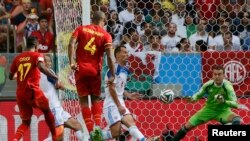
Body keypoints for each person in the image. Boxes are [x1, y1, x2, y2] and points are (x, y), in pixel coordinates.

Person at [68, 11, 115, 136]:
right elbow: (110, 56)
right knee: (95, 100)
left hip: (80, 69)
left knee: (83, 101)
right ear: (103, 20)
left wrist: (72, 62)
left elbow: (71, 44)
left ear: (92, 18)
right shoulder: (106, 35)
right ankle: (98, 128)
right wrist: (112, 73)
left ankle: (90, 132)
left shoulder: (81, 29)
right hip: (95, 71)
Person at [171, 65, 248, 141]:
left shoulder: (228, 86)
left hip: (223, 111)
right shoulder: (208, 85)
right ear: (212, 75)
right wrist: (191, 99)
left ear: (224, 75)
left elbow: (235, 103)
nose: (217, 76)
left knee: (237, 120)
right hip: (208, 110)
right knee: (187, 126)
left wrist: (224, 101)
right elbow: (197, 96)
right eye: (215, 74)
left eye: (219, 74)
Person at [90, 45, 150, 141]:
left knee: (131, 123)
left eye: (127, 52)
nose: (127, 54)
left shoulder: (125, 69)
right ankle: (91, 138)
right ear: (117, 55)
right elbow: (111, 88)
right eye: (125, 52)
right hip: (111, 104)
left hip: (120, 102)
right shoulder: (114, 69)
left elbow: (119, 88)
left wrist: (129, 95)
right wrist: (118, 106)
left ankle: (144, 139)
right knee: (116, 133)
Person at [9, 36, 58, 141]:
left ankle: (15, 139)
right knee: (47, 111)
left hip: (20, 93)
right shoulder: (37, 55)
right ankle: (55, 136)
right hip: (32, 91)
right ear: (36, 46)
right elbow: (41, 67)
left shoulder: (17, 58)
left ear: (26, 46)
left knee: (25, 122)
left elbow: (10, 76)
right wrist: (56, 77)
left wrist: (19, 76)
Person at [41, 55, 87, 141]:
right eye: (47, 61)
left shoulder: (39, 75)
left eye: (50, 61)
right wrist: (71, 88)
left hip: (57, 108)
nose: (49, 63)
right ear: (42, 63)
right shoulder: (48, 72)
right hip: (53, 108)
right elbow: (59, 85)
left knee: (77, 125)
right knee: (59, 138)